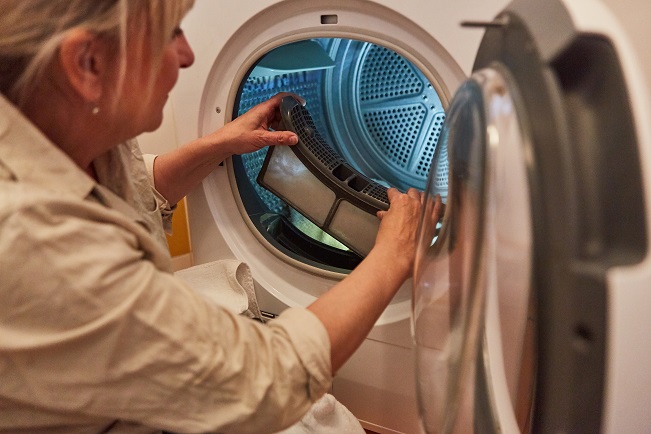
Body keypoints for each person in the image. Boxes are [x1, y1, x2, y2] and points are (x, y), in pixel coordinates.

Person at [0, 1, 444, 433]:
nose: (188, 55)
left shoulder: (70, 129)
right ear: (89, 64)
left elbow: (134, 192)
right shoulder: (38, 241)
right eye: (171, 33)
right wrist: (394, 253)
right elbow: (264, 383)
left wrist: (219, 144)